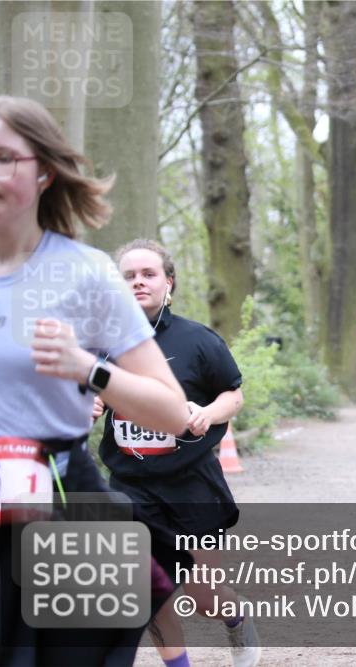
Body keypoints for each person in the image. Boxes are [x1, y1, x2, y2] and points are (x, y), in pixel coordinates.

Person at [0, 96, 189, 665]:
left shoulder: (85, 273)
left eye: (2, 157)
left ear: (45, 172)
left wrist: (88, 368)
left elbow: (172, 412)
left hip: (60, 491)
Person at [95, 239, 259, 667]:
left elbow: (234, 396)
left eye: (148, 274)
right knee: (151, 589)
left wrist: (208, 412)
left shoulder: (197, 340)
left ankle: (236, 617)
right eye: (128, 276)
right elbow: (80, 398)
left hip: (191, 485)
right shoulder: (102, 345)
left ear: (168, 282)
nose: (137, 283)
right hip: (131, 484)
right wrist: (87, 403)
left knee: (203, 597)